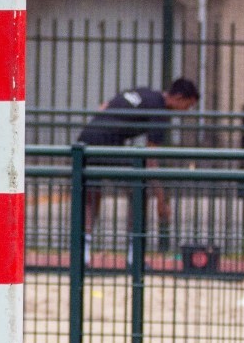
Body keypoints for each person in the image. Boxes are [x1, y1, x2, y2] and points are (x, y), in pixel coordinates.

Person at [76, 77, 199, 257]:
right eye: (188, 105)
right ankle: (134, 253)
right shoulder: (160, 112)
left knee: (91, 194)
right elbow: (151, 159)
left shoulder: (145, 92)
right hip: (106, 144)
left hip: (86, 139)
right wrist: (161, 199)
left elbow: (104, 106)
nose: (187, 111)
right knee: (139, 189)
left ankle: (83, 252)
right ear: (179, 97)